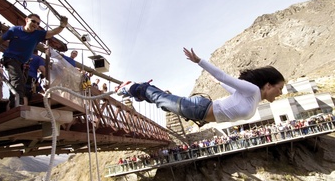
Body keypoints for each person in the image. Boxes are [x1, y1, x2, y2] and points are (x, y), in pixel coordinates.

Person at [116, 47, 285, 125]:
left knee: (165, 103)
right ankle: (132, 88)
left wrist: (218, 83)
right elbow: (225, 77)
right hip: (200, 109)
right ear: (269, 85)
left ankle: (135, 92)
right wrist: (199, 61)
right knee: (162, 100)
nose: (281, 93)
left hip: (200, 113)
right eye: (280, 88)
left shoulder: (253, 98)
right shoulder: (253, 90)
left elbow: (232, 90)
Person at [0, 13, 68, 108]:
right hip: (10, 58)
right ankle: (18, 105)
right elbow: (1, 39)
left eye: (38, 23)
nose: (35, 24)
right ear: (26, 20)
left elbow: (52, 32)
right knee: (17, 80)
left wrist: (62, 26)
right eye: (33, 21)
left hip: (23, 63)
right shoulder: (14, 30)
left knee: (19, 83)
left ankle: (12, 105)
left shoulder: (37, 34)